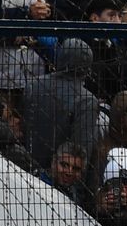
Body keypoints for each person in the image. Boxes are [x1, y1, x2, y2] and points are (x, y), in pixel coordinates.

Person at [22, 39, 101, 171]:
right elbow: (81, 149)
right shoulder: (86, 100)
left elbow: (24, 127)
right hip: (62, 178)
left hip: (27, 170)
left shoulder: (33, 86)